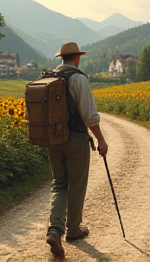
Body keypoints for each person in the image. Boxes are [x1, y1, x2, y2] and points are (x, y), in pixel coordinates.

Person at [45, 42, 108, 257]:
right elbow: (89, 116)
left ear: (62, 58)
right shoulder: (78, 79)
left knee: (60, 183)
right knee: (77, 184)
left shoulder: (51, 78)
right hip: (76, 139)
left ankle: (54, 229)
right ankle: (72, 229)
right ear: (77, 58)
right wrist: (101, 140)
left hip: (53, 140)